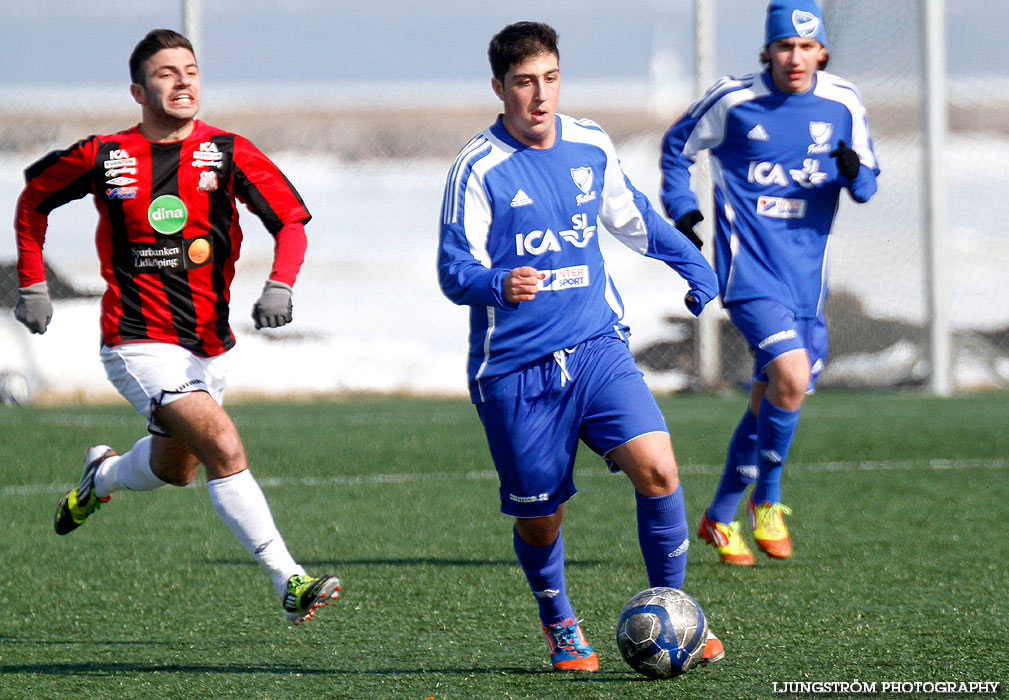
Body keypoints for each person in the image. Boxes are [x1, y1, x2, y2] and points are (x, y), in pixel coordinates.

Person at [13, 29, 340, 624]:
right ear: (139, 90)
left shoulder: (229, 152)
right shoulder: (103, 154)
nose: (183, 80)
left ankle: (101, 476)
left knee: (175, 468)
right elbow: (33, 199)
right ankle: (289, 579)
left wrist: (281, 283)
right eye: (167, 72)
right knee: (222, 444)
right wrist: (32, 282)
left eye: (190, 70)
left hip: (209, 346)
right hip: (136, 340)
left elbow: (291, 220)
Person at [438, 21, 723, 672]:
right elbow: (454, 272)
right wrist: (497, 282)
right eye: (523, 83)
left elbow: (634, 220)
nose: (539, 96)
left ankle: (673, 613)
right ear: (498, 88)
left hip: (595, 344)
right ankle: (558, 620)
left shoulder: (590, 143)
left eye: (549, 79)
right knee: (542, 517)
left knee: (658, 469)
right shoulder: (478, 168)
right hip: (514, 370)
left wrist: (691, 262)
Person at [660, 0, 880, 565]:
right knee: (790, 375)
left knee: (770, 400)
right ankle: (769, 502)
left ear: (822, 51)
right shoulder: (734, 100)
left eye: (807, 47)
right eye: (785, 46)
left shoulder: (843, 102)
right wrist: (682, 208)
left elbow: (867, 183)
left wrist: (856, 173)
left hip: (807, 284)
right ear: (769, 50)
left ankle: (718, 515)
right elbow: (676, 147)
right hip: (750, 274)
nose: (796, 57)